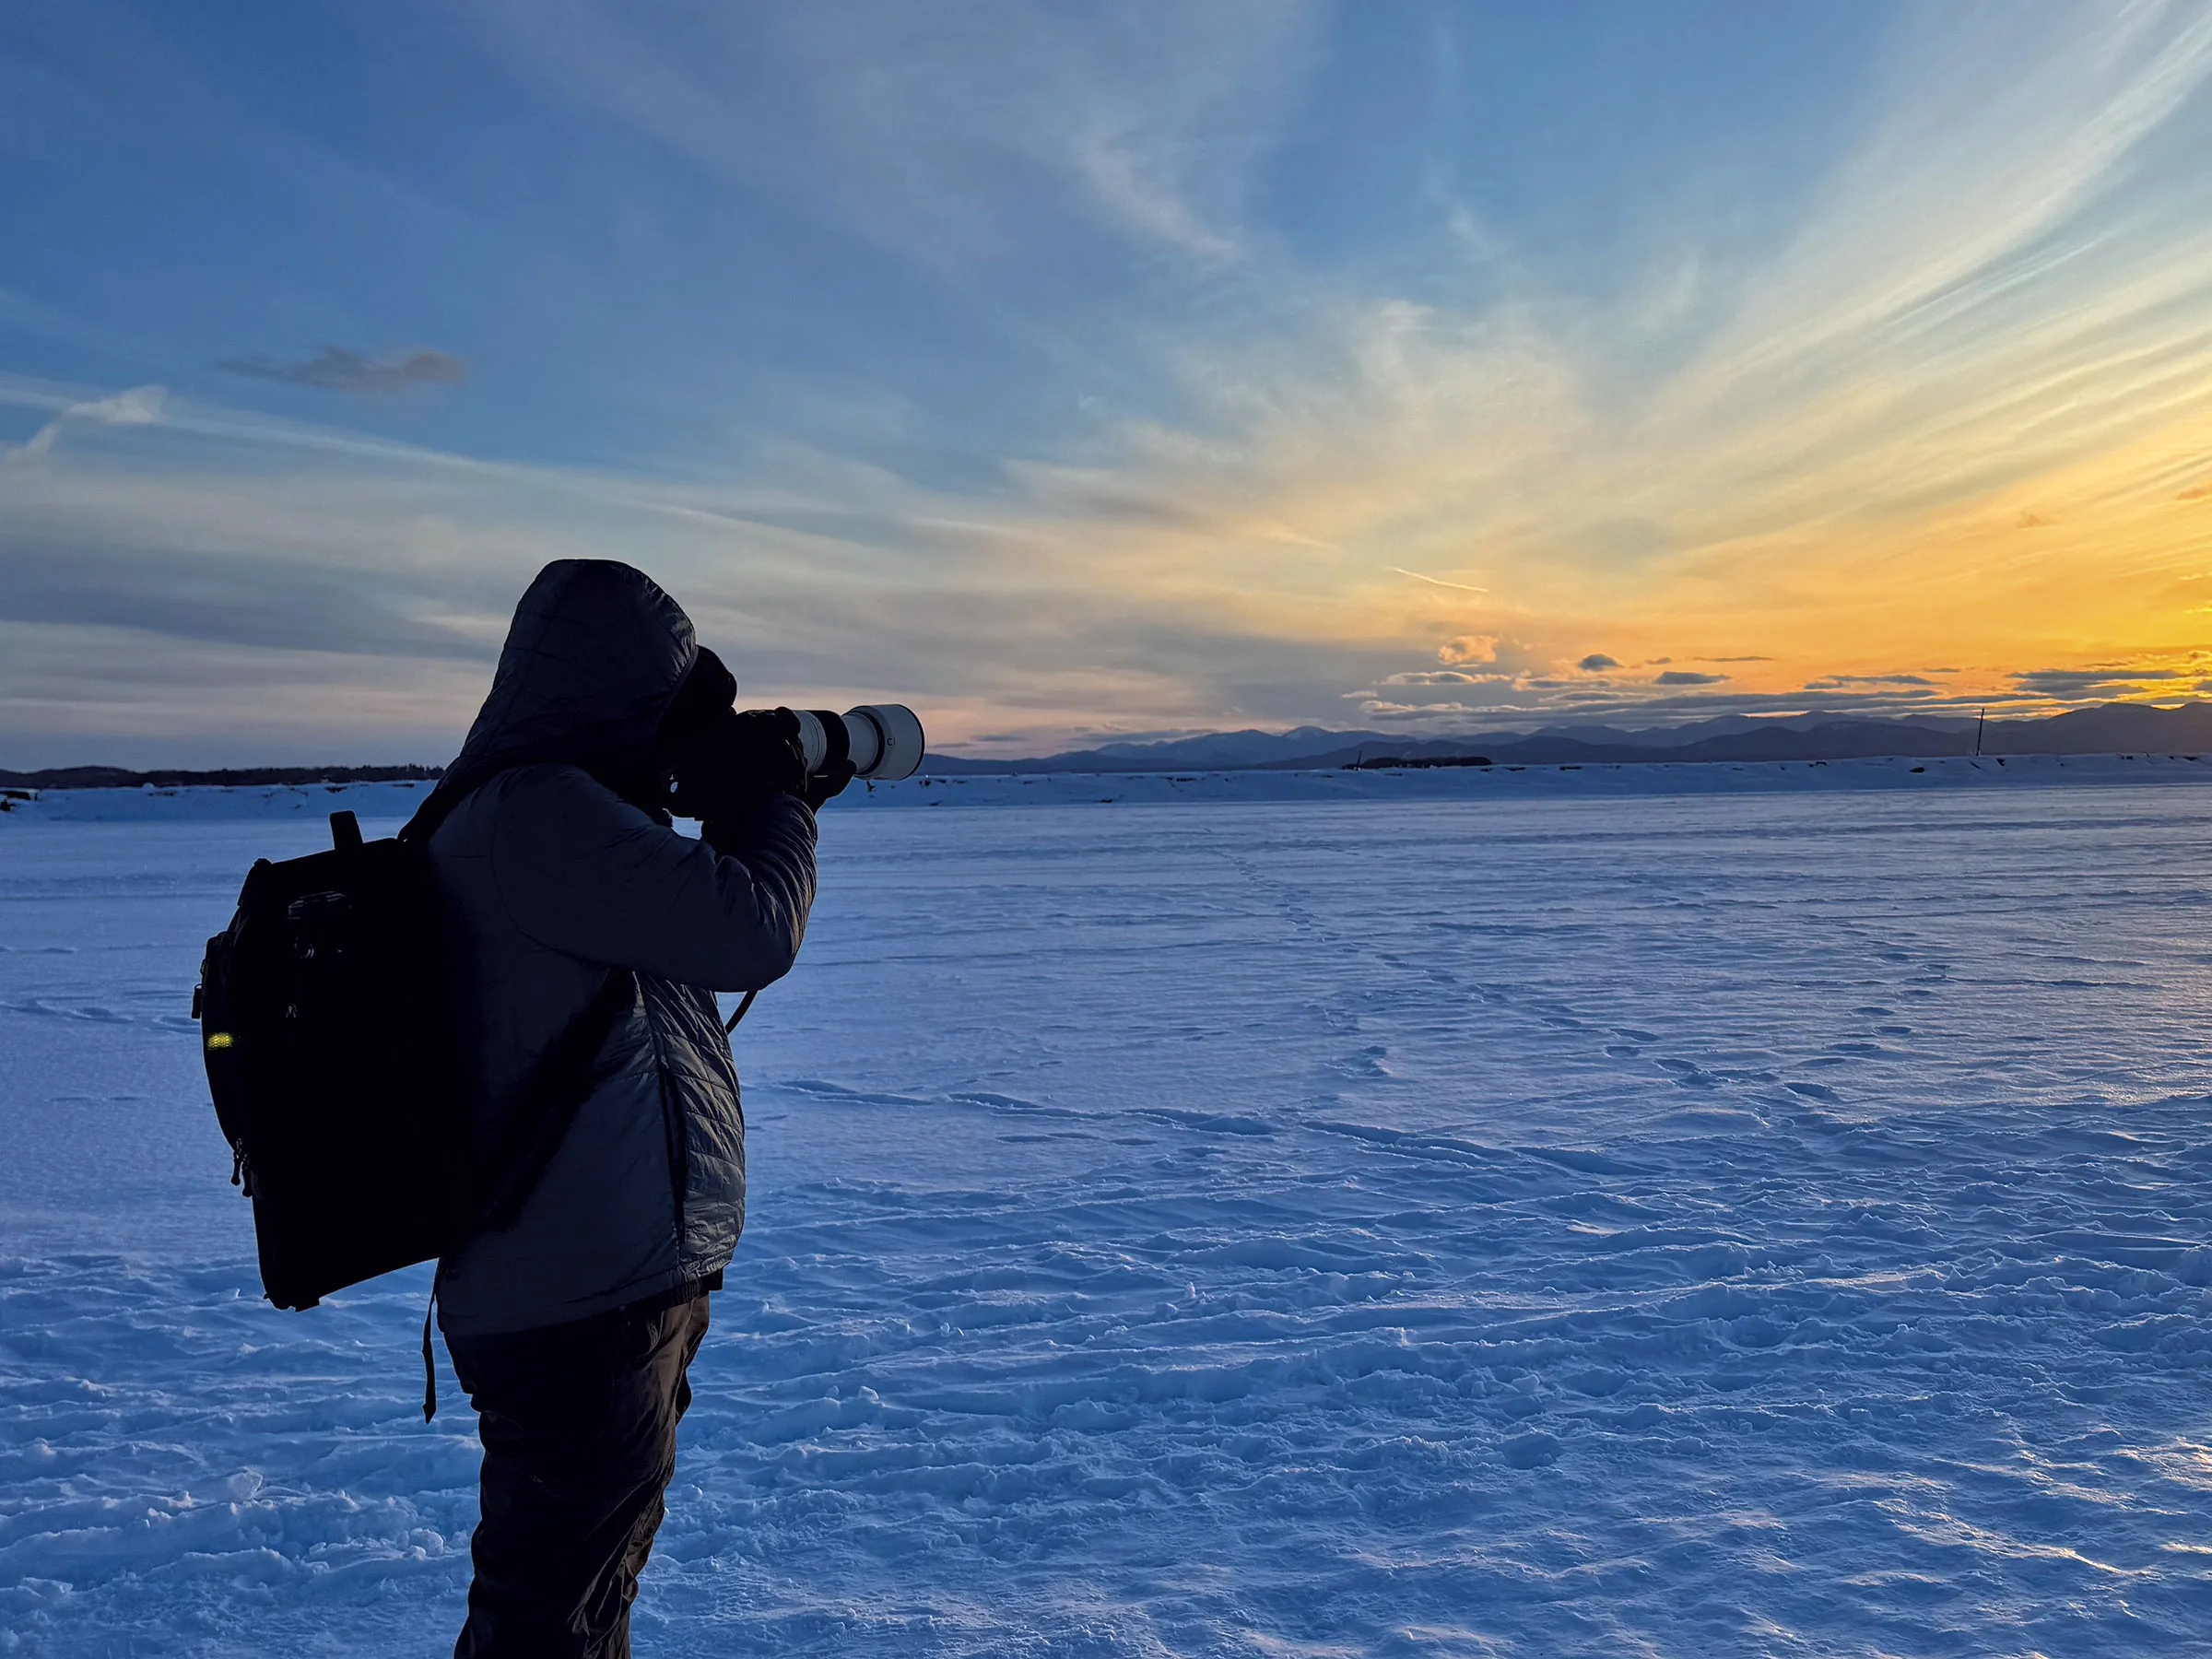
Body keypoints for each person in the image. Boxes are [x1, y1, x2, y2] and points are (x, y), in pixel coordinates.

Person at [412, 558, 847, 1657]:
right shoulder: (538, 815)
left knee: (578, 1595)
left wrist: (737, 801)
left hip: (592, 1284)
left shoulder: (547, 815)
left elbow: (676, 935)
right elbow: (751, 930)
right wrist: (772, 803)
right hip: (576, 1301)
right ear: (623, 699)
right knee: (548, 1616)